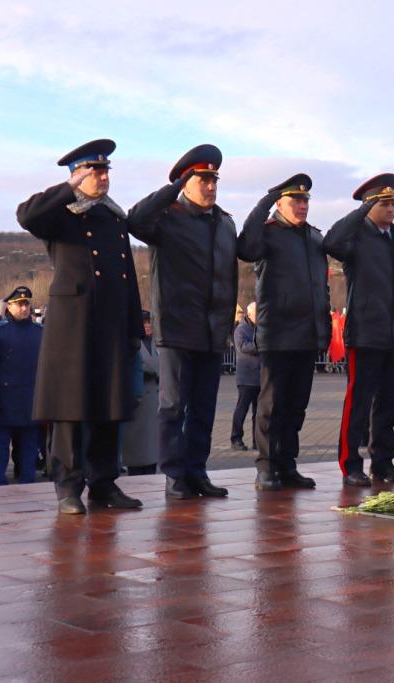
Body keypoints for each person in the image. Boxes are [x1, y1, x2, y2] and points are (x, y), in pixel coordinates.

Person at [16, 138, 144, 514]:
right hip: (73, 325)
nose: (102, 178)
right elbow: (26, 215)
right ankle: (68, 487)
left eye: (105, 171)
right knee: (70, 410)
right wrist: (69, 187)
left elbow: (127, 276)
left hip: (111, 322)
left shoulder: (114, 216)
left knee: (109, 405)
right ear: (77, 174)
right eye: (94, 171)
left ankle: (104, 484)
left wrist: (134, 326)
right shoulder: (61, 214)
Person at [128, 144, 236, 500]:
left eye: (213, 180)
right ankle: (174, 476)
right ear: (185, 182)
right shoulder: (167, 217)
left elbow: (228, 276)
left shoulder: (223, 222)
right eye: (202, 180)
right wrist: (173, 187)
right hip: (176, 328)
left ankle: (197, 472)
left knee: (203, 407)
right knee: (173, 407)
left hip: (212, 330)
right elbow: (135, 220)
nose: (210, 187)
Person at [325, 173, 394, 486]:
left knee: (388, 405)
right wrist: (359, 212)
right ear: (369, 206)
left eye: (393, 202)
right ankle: (350, 464)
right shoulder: (356, 238)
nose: (392, 208)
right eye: (384, 203)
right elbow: (332, 242)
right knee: (359, 404)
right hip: (365, 334)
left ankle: (383, 463)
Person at [237, 174, 331, 490]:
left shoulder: (315, 238)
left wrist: (325, 329)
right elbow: (245, 247)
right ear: (280, 203)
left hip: (307, 335)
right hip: (277, 335)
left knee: (295, 406)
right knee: (270, 405)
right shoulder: (268, 233)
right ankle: (265, 467)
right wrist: (264, 201)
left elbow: (323, 288)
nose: (302, 206)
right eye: (295, 200)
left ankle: (287, 465)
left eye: (305, 201)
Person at [0, 286, 43, 485]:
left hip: (31, 398)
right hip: (4, 399)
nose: (24, 308)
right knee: (0, 450)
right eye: (19, 304)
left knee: (29, 449)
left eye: (26, 304)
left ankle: (27, 482)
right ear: (10, 307)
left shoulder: (40, 332)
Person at [122, 311, 159, 475]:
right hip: (138, 401)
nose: (147, 325)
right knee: (137, 449)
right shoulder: (130, 343)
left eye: (149, 322)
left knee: (152, 448)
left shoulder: (157, 343)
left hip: (156, 402)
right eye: (144, 323)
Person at [231, 302, 260, 451]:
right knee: (242, 409)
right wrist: (260, 345)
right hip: (246, 377)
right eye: (257, 313)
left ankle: (258, 440)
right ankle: (236, 438)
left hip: (260, 377)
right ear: (250, 314)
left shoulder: (260, 329)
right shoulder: (241, 330)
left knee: (259, 412)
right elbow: (242, 347)